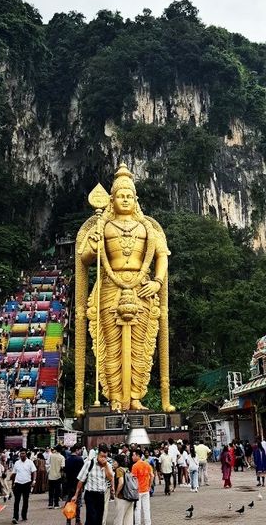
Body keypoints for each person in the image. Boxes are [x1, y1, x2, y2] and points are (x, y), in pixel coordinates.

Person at [75, 164, 174, 414]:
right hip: (110, 286)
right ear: (112, 199)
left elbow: (162, 255)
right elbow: (85, 258)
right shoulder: (102, 226)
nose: (125, 199)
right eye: (121, 195)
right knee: (111, 346)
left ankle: (136, 397)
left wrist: (157, 281)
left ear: (135, 198)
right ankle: (116, 399)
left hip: (142, 288)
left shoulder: (148, 228)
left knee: (140, 347)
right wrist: (94, 247)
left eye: (129, 195)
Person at [71, 446, 113, 525]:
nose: (103, 459)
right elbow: (81, 480)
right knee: (91, 517)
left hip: (101, 494)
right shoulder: (89, 463)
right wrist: (76, 495)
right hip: (90, 494)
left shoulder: (108, 465)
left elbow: (110, 478)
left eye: (105, 457)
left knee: (99, 518)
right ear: (97, 455)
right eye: (101, 456)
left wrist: (106, 466)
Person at [10, 450, 36, 524]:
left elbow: (34, 472)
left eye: (23, 453)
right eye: (21, 454)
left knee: (25, 501)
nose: (22, 455)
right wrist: (12, 484)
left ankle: (24, 515)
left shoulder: (30, 462)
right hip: (18, 483)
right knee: (16, 501)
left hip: (27, 483)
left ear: (26, 454)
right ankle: (15, 517)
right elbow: (14, 474)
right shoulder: (17, 463)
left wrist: (34, 481)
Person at [62, 445, 83, 525]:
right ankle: (77, 520)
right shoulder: (79, 459)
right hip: (77, 484)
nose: (80, 452)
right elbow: (82, 473)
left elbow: (65, 472)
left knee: (69, 502)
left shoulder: (67, 460)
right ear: (77, 450)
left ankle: (68, 520)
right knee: (77, 503)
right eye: (80, 450)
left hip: (69, 484)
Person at [131, 450, 153, 525]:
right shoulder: (147, 464)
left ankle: (137, 523)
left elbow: (133, 479)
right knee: (147, 509)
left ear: (138, 456)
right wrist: (149, 486)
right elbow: (152, 476)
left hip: (138, 491)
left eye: (133, 455)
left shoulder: (135, 466)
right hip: (146, 490)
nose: (132, 457)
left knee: (138, 509)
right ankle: (148, 523)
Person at [111, 455, 133, 525]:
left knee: (119, 519)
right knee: (128, 519)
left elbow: (121, 482)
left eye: (114, 461)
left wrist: (116, 493)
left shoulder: (119, 470)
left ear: (118, 462)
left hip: (122, 497)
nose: (113, 463)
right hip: (130, 496)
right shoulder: (127, 469)